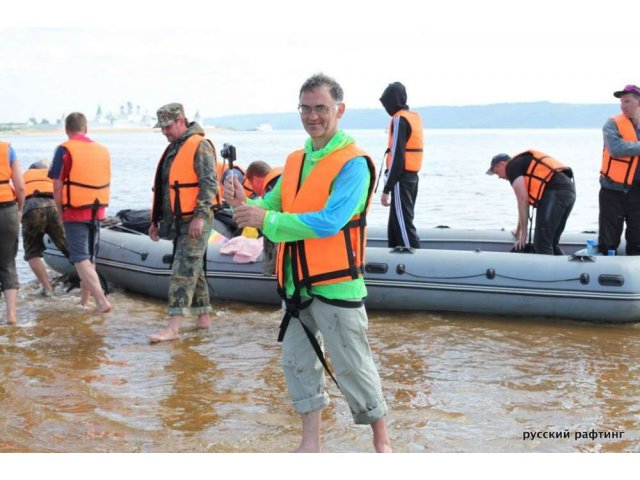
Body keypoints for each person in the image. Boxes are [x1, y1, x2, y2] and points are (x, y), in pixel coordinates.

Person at [224, 73, 391, 453]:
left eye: (321, 108)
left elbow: (330, 221)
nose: (312, 116)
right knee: (299, 365)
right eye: (306, 108)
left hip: (337, 285)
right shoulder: (295, 160)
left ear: (339, 110)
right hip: (296, 286)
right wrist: (243, 204)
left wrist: (264, 220)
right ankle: (309, 445)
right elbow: (272, 206)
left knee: (353, 365)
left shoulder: (354, 164)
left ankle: (382, 442)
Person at [148, 103, 218, 343]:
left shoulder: (200, 146)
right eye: (162, 128)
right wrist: (156, 220)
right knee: (193, 269)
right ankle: (203, 318)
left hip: (196, 218)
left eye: (167, 126)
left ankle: (173, 328)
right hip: (177, 220)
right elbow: (165, 189)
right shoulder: (174, 149)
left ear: (181, 121)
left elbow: (209, 184)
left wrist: (199, 216)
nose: (164, 132)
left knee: (183, 270)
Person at [49, 112, 112, 313]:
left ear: (67, 130)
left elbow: (57, 185)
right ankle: (85, 303)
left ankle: (101, 301)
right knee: (89, 258)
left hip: (75, 211)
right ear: (86, 129)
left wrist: (59, 211)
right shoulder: (102, 150)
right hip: (97, 209)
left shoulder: (64, 149)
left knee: (79, 258)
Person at [487, 150, 576, 254]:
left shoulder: (511, 167)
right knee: (551, 243)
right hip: (568, 190)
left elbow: (522, 201)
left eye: (497, 172)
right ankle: (562, 268)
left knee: (542, 244)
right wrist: (518, 229)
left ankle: (547, 270)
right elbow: (524, 204)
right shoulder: (521, 164)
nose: (499, 177)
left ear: (502, 164)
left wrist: (523, 236)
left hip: (555, 192)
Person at [379, 81, 423, 249]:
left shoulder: (399, 120)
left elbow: (398, 156)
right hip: (412, 177)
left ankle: (414, 263)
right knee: (395, 223)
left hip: (400, 179)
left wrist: (386, 189)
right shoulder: (413, 117)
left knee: (403, 224)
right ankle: (393, 254)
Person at [598, 84, 640, 255]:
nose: (623, 106)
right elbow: (617, 149)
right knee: (609, 237)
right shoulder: (612, 124)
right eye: (621, 102)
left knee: (637, 235)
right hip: (613, 189)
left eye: (627, 102)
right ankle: (605, 267)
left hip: (637, 191)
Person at [22, 160, 69, 296]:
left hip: (31, 208)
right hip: (54, 206)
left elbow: (17, 195)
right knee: (69, 249)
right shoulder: (51, 175)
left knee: (32, 253)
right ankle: (88, 281)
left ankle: (47, 288)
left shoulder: (24, 176)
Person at [0, 139, 25, 324]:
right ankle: (11, 316)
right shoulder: (7, 149)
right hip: (7, 209)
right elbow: (21, 187)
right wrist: (20, 210)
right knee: (7, 262)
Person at [245, 161, 283, 275]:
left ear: (256, 180)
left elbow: (268, 211)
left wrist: (269, 267)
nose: (252, 189)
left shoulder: (271, 189)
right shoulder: (281, 178)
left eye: (251, 184)